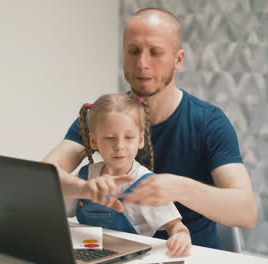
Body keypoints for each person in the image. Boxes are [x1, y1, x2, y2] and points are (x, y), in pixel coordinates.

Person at [43, 7, 257, 249]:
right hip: (114, 254)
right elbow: (43, 177)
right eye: (133, 52)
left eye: (155, 52)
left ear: (178, 59)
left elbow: (246, 211)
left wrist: (178, 187)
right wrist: (84, 188)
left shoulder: (209, 122)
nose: (142, 64)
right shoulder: (102, 117)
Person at [64, 93, 191, 256]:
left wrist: (181, 236)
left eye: (129, 137)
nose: (119, 146)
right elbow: (58, 209)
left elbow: (176, 227)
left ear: (140, 140)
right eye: (110, 138)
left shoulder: (147, 184)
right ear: (93, 141)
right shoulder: (85, 175)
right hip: (89, 254)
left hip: (132, 259)